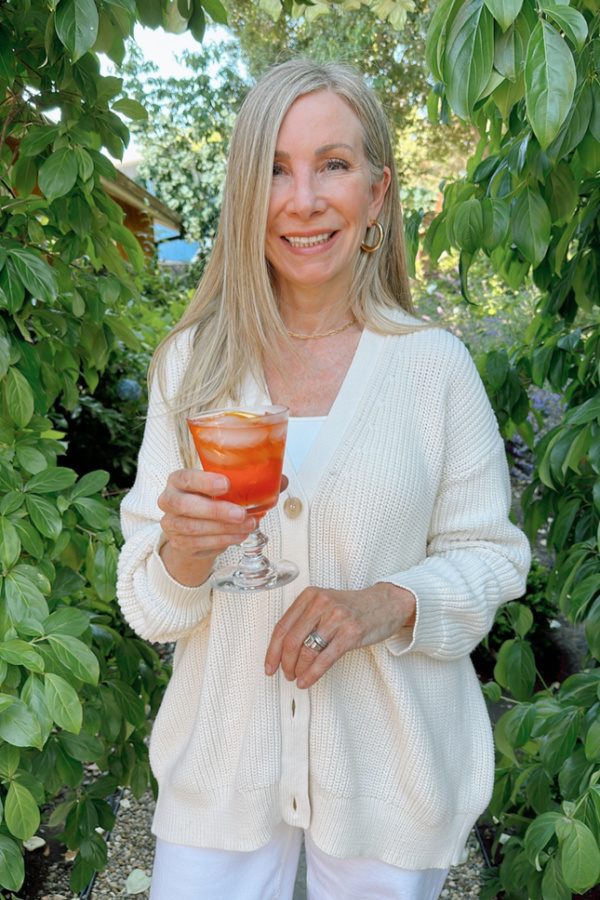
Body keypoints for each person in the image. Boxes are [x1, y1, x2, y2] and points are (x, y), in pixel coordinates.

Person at [116, 59, 531, 900]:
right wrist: (183, 555)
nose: (302, 199)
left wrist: (384, 602)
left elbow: (494, 556)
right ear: (243, 196)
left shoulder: (432, 367)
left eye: (332, 164)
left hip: (389, 779)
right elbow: (149, 607)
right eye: (274, 168)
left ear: (377, 194)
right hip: (220, 784)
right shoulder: (191, 369)